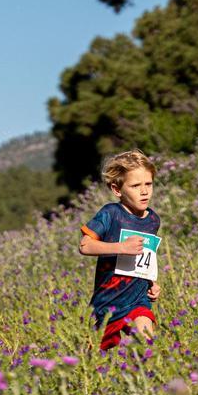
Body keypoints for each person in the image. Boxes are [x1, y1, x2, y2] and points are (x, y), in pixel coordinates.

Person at [78, 150, 163, 350]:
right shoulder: (110, 214)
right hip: (107, 303)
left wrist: (152, 282)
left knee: (146, 345)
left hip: (138, 300)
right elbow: (85, 245)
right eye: (135, 186)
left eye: (148, 184)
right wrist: (121, 247)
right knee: (95, 364)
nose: (144, 191)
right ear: (117, 189)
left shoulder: (152, 220)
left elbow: (145, 258)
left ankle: (144, 380)